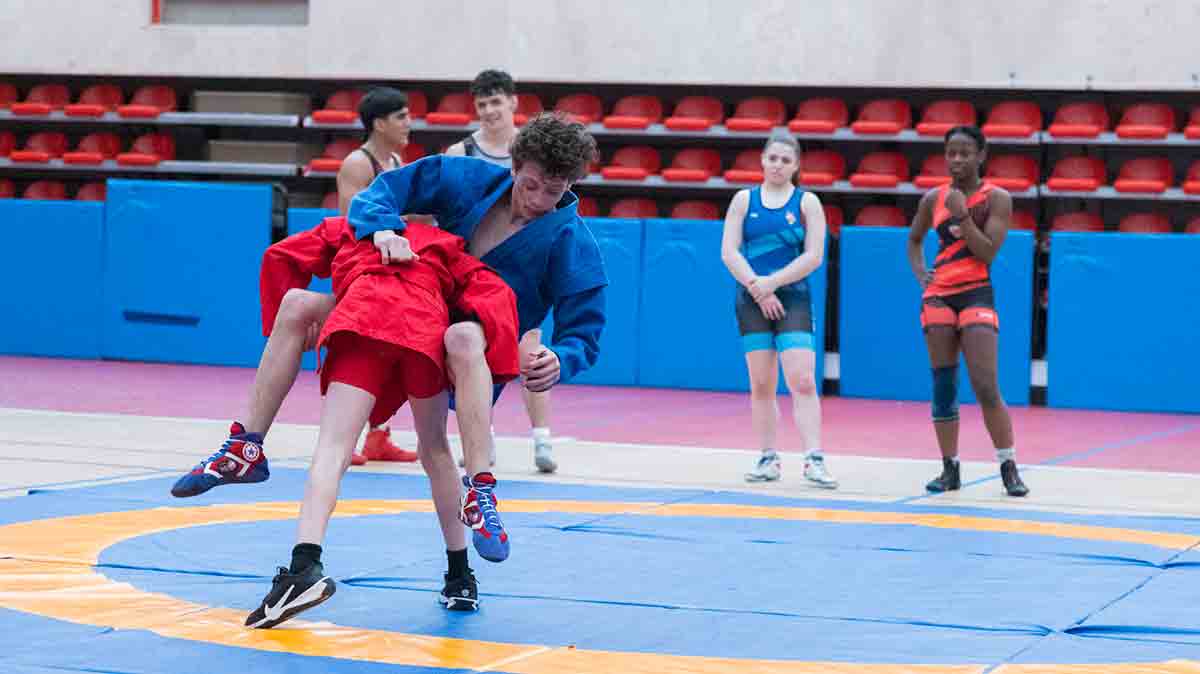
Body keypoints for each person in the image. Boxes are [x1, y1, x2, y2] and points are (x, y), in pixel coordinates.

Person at [174, 113, 605, 619]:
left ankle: (481, 494)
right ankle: (246, 444)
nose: (536, 200)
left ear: (570, 185)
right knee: (295, 305)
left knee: (456, 362)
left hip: (464, 344)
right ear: (512, 165)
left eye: (551, 192)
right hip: (412, 307)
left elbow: (585, 332)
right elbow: (378, 194)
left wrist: (561, 358)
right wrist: (382, 230)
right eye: (529, 184)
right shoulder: (462, 178)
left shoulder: (573, 243)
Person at [243, 216, 520, 629]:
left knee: (333, 448)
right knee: (436, 451)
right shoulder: (448, 245)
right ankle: (461, 577)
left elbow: (280, 255)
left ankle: (304, 565)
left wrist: (292, 333)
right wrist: (501, 356)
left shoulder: (354, 228)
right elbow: (495, 299)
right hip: (421, 337)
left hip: (363, 325)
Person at [906, 125, 1029, 498]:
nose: (957, 160)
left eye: (965, 153)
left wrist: (961, 217)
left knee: (985, 384)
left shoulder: (998, 198)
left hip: (976, 293)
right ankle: (950, 469)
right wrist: (921, 275)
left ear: (981, 155)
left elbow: (987, 252)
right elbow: (914, 240)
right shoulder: (933, 198)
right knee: (944, 385)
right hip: (939, 296)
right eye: (951, 153)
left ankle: (1008, 466)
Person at [446, 69, 558, 474]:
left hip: (523, 263)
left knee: (530, 347)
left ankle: (542, 436)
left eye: (497, 102)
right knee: (471, 352)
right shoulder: (461, 153)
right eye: (482, 105)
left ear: (513, 103)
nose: (490, 111)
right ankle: (482, 434)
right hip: (475, 268)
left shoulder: (534, 151)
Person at [720, 130, 837, 489]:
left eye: (786, 160)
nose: (778, 165)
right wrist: (758, 288)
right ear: (762, 160)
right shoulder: (743, 200)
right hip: (752, 300)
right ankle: (768, 457)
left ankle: (814, 459)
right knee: (761, 384)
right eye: (773, 158)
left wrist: (772, 284)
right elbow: (729, 252)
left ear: (796, 165)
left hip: (793, 299)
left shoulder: (807, 203)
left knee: (802, 380)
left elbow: (814, 256)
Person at [335, 86, 419, 465]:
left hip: (392, 267)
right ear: (379, 123)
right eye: (401, 116)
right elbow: (350, 224)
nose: (408, 123)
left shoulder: (398, 161)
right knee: (353, 353)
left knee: (390, 354)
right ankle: (343, 436)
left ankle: (379, 434)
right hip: (362, 267)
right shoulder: (358, 163)